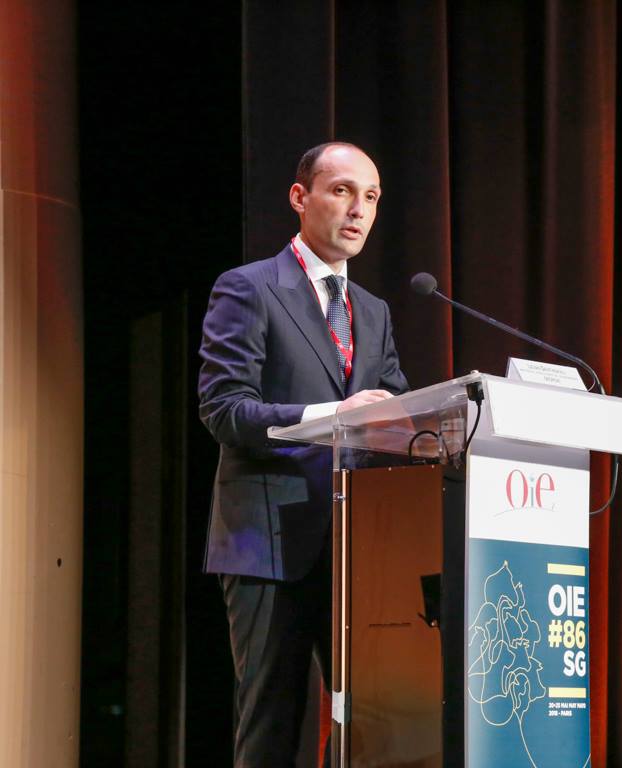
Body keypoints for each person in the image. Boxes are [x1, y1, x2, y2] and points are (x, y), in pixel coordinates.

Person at [198, 142, 409, 766]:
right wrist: (334, 416)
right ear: (300, 197)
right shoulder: (250, 288)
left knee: (376, 722)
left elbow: (395, 413)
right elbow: (225, 410)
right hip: (270, 542)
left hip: (356, 550)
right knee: (275, 727)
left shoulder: (373, 312)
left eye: (371, 197)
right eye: (342, 191)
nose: (358, 210)